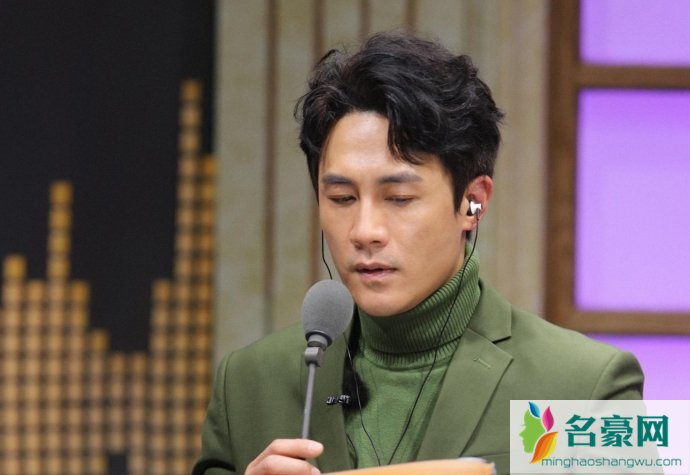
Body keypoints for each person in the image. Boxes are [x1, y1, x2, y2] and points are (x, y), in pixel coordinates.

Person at [193, 32, 643, 475]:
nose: (365, 231)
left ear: (473, 202)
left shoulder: (587, 385)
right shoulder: (247, 385)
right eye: (342, 199)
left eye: (399, 198)